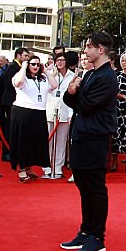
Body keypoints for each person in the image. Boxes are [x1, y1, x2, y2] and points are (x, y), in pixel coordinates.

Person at [60, 31, 118, 251]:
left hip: (96, 138)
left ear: (100, 49)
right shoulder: (93, 74)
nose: (85, 52)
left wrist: (74, 93)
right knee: (84, 185)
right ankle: (86, 230)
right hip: (83, 135)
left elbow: (87, 105)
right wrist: (72, 92)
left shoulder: (107, 77)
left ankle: (97, 236)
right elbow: (72, 100)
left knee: (94, 187)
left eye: (88, 47)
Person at [10, 55, 57, 182]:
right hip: (23, 112)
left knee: (35, 143)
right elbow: (18, 83)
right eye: (33, 64)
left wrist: (46, 70)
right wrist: (24, 66)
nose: (36, 66)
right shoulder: (21, 76)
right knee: (23, 142)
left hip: (39, 112)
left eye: (38, 64)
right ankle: (21, 169)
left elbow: (54, 85)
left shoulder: (42, 79)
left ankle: (29, 167)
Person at [44, 51, 77, 179]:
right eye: (58, 60)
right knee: (49, 139)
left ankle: (58, 167)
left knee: (62, 140)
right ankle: (47, 167)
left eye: (62, 60)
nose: (60, 62)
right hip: (50, 110)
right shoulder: (49, 75)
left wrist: (70, 113)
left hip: (65, 111)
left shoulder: (72, 76)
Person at [0, 47, 29, 162]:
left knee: (13, 128)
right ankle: (7, 152)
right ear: (18, 55)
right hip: (9, 101)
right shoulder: (14, 67)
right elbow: (9, 83)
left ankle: (11, 151)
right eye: (25, 56)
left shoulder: (17, 67)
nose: (27, 58)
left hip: (13, 101)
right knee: (9, 128)